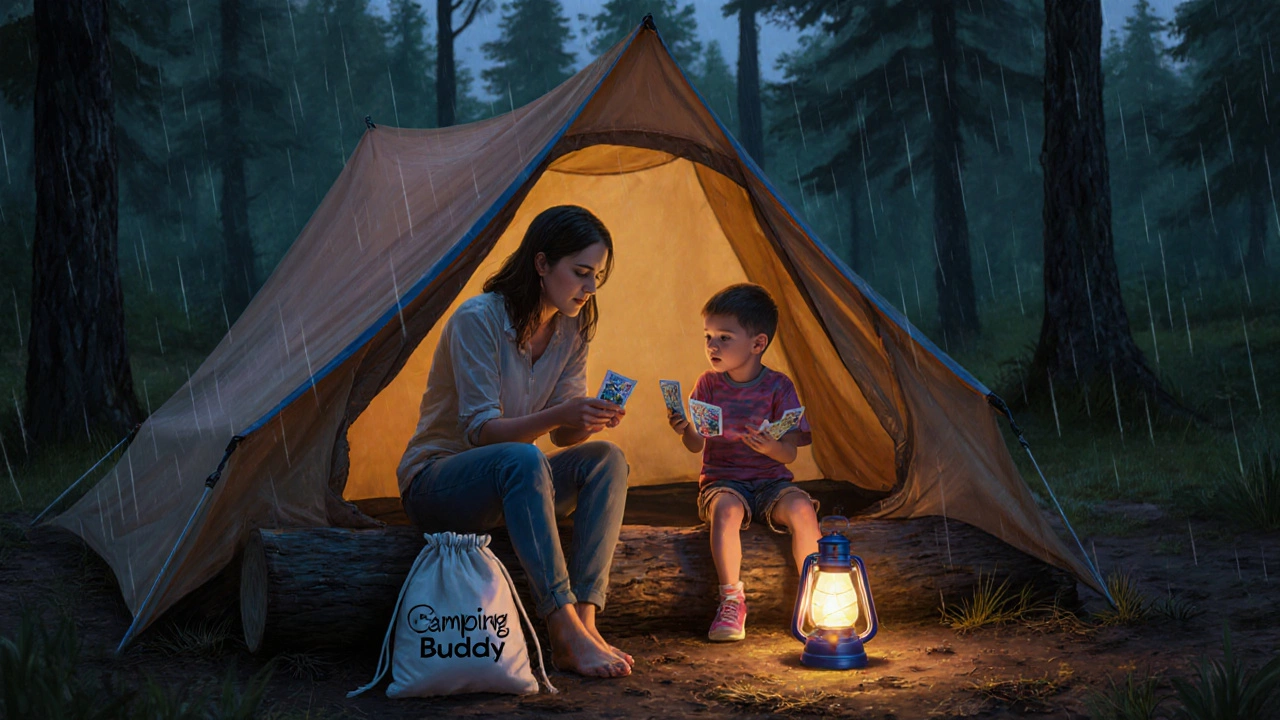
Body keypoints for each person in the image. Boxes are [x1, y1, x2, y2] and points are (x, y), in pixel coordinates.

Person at [398, 205, 633, 678]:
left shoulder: (572, 330)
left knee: (607, 459)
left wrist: (587, 418)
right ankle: (561, 629)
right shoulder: (478, 319)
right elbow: (481, 432)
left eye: (597, 277)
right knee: (522, 459)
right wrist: (561, 414)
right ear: (542, 264)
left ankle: (585, 622)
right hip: (440, 482)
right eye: (581, 273)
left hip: (514, 483)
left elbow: (565, 434)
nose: (590, 289)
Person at [667, 283, 822, 642]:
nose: (712, 346)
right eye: (708, 336)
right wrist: (684, 429)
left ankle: (816, 597)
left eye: (724, 337)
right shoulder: (707, 386)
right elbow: (696, 445)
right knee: (726, 512)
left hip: (771, 482)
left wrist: (770, 448)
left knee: (801, 509)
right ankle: (732, 600)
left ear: (757, 344)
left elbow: (790, 452)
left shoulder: (778, 387)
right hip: (724, 481)